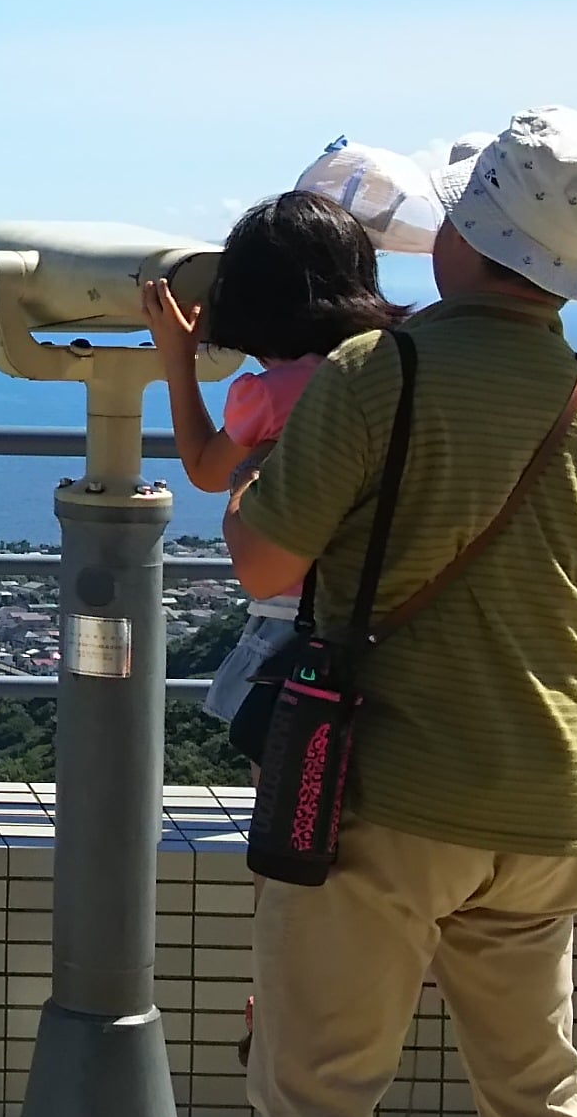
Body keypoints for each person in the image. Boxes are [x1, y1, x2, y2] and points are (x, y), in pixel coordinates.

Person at [220, 106, 577, 1117]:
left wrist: (248, 483)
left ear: (470, 236)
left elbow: (262, 563)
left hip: (386, 798)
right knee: (544, 1111)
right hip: (550, 802)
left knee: (318, 1108)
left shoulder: (379, 372)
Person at [136, 187, 411, 727]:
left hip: (295, 617)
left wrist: (178, 359)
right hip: (388, 608)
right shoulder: (389, 372)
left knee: (285, 763)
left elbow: (206, 469)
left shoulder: (271, 394)